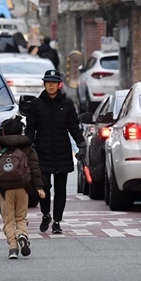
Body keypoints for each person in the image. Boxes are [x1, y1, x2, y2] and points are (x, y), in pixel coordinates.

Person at [25, 70, 86, 234]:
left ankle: (57, 221)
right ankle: (46, 214)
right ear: (44, 84)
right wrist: (26, 147)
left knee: (61, 190)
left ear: (59, 85)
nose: (51, 85)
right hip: (41, 152)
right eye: (48, 82)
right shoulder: (36, 105)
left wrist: (81, 144)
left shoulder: (67, 105)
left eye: (54, 82)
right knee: (43, 186)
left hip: (62, 153)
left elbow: (74, 127)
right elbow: (30, 130)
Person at [0, 116, 45, 259]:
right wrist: (39, 186)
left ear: (3, 133)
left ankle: (13, 249)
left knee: (8, 219)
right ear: (21, 132)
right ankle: (22, 234)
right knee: (21, 217)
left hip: (5, 190)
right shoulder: (27, 148)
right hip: (23, 187)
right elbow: (34, 168)